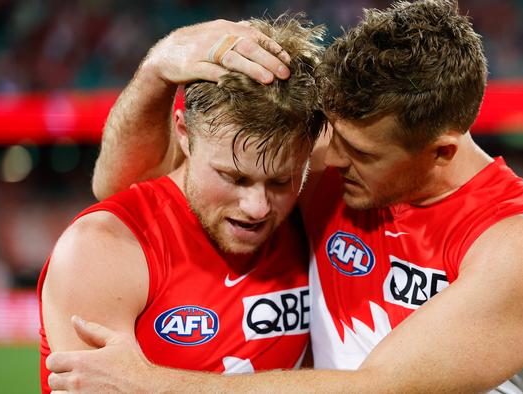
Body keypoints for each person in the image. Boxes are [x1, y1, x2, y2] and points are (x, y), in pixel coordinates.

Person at [47, 1, 523, 392]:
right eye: (332, 136)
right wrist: (158, 69)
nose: (329, 159)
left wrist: (153, 385)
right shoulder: (335, 172)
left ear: (440, 151)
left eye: (361, 152)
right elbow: (128, 191)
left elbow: (379, 388)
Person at [38, 15, 325, 393]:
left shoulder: (319, 211)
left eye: (280, 181)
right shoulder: (102, 251)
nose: (258, 207)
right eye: (233, 177)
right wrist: (157, 68)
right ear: (184, 133)